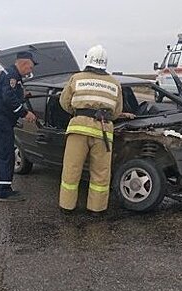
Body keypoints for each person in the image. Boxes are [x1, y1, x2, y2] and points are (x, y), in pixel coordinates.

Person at [58, 45, 133, 214]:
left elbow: (64, 102)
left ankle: (67, 207)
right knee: (101, 173)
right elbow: (117, 111)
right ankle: (96, 209)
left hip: (78, 129)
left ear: (88, 60)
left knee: (71, 169)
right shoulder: (115, 83)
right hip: (103, 132)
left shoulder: (76, 78)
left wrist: (78, 113)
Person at [0, 51, 38, 202]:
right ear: (23, 64)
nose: (30, 72)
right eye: (30, 68)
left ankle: (1, 187)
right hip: (1, 121)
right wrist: (24, 114)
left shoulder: (12, 75)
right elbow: (8, 97)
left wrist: (23, 96)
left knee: (2, 156)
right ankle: (4, 191)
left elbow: (11, 95)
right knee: (6, 156)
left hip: (0, 121)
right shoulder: (12, 76)